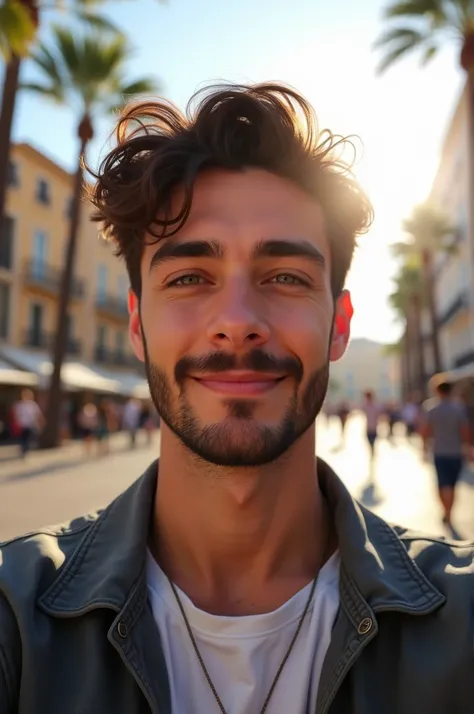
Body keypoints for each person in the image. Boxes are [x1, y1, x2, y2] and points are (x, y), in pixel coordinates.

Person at [1, 83, 474, 714]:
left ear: (339, 323)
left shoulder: (462, 624)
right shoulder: (15, 620)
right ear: (138, 325)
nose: (237, 320)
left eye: (285, 277)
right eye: (189, 277)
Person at [422, 380, 470, 528]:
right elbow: (465, 430)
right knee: (453, 485)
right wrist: (468, 448)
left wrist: (423, 447)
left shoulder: (432, 408)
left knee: (443, 484)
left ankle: (446, 511)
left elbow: (426, 430)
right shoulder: (458, 408)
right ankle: (449, 512)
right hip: (456, 452)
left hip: (439, 451)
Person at [12, 388, 44, 457]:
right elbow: (16, 414)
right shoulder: (19, 405)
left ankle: (25, 450)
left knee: (29, 438)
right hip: (22, 424)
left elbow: (37, 414)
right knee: (23, 438)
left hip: (30, 424)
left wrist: (38, 423)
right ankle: (23, 450)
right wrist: (17, 422)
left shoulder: (33, 405)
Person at [361, 390, 381, 465]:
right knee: (369, 442)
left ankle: (373, 453)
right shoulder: (366, 406)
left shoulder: (375, 406)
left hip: (374, 428)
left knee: (373, 442)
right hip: (368, 427)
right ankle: (372, 453)